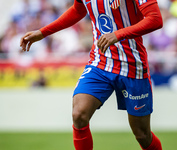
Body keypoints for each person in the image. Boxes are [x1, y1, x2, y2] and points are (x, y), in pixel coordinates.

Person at [20, 0, 163, 149]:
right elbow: (78, 10)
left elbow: (155, 19)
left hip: (133, 66)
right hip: (100, 63)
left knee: (142, 134)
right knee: (79, 114)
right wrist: (43, 32)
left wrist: (117, 34)